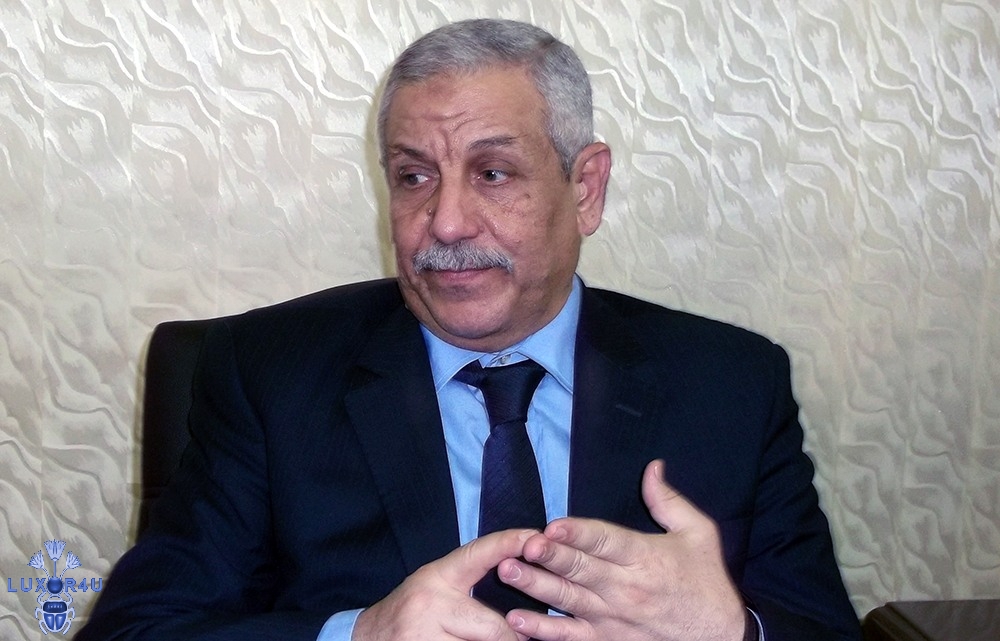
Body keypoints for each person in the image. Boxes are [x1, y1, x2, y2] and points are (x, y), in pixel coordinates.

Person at [77, 18, 862, 641]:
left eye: (493, 172)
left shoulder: (732, 384)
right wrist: (359, 633)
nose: (445, 221)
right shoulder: (266, 375)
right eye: (413, 176)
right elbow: (134, 630)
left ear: (585, 189)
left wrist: (731, 630)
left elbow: (821, 628)